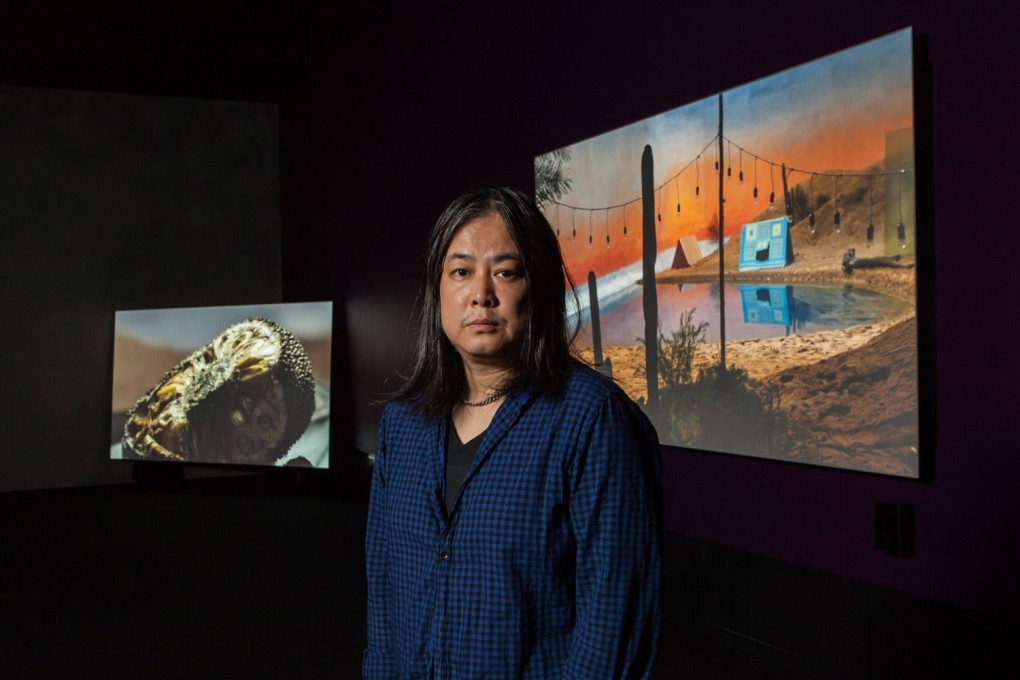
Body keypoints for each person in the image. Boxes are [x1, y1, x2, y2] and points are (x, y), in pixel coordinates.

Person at [363, 187, 662, 679]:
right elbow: (383, 594)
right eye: (461, 272)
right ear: (437, 290)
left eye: (505, 271)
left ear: (537, 286)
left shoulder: (591, 420)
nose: (481, 293)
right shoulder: (403, 425)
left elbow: (613, 621)